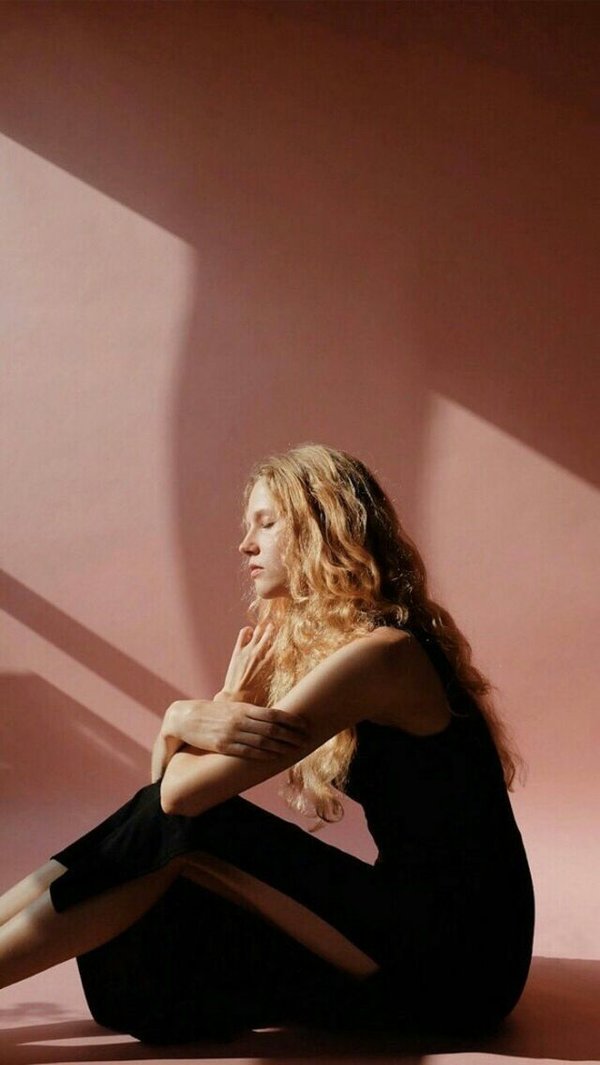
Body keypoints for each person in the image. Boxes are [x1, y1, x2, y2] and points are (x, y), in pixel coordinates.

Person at [0, 442, 534, 1043]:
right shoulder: (345, 648)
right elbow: (162, 803)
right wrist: (187, 722)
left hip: (461, 964)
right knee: (153, 919)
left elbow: (181, 801)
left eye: (267, 523)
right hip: (414, 926)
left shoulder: (384, 658)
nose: (245, 545)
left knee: (195, 829)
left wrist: (191, 715)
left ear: (321, 529)